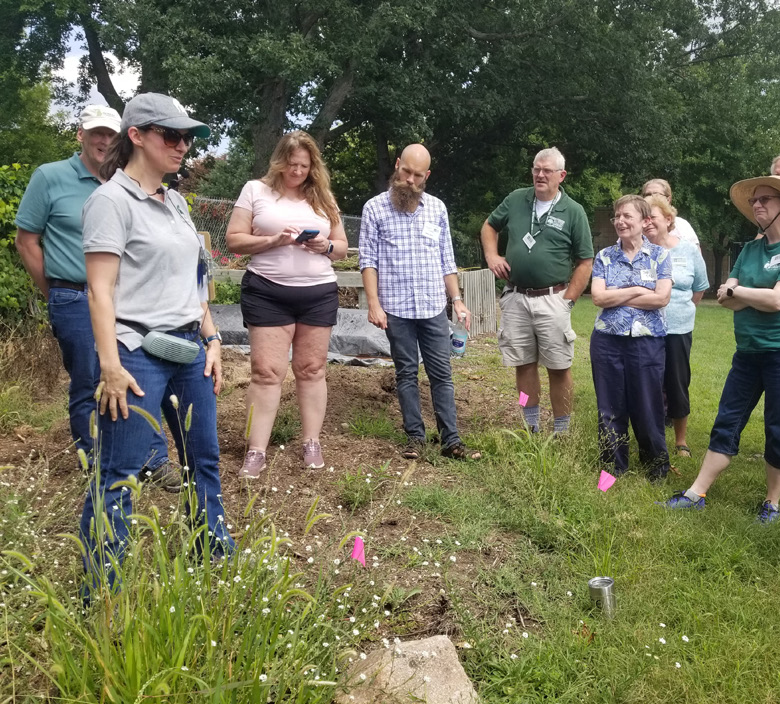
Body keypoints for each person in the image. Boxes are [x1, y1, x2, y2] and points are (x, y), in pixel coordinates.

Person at [79, 93, 235, 595]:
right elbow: (99, 289)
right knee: (120, 471)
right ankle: (104, 588)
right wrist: (109, 366)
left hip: (191, 350)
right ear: (136, 136)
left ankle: (212, 552)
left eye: (188, 137)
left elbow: (194, 280)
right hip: (136, 352)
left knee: (203, 458)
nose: (184, 145)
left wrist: (211, 336)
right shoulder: (110, 202)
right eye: (172, 135)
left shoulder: (178, 202)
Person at [14, 105, 181, 491]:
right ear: (81, 136)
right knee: (90, 379)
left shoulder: (131, 182)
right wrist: (55, 291)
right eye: (96, 134)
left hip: (130, 299)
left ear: (123, 137)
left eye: (111, 134)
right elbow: (27, 241)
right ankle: (97, 462)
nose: (104, 140)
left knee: (141, 375)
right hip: (74, 295)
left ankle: (153, 458)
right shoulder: (51, 177)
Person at [661, 175, 780, 523]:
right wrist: (756, 296)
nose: (758, 205)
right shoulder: (749, 249)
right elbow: (725, 297)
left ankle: (772, 503)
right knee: (727, 420)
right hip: (748, 350)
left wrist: (744, 293)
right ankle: (695, 493)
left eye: (766, 200)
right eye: (755, 200)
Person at [225, 131, 348, 478]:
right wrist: (273, 240)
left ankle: (311, 441)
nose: (297, 172)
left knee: (311, 370)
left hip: (318, 292)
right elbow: (234, 240)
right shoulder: (255, 191)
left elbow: (341, 246)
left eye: (304, 166)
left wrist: (323, 246)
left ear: (313, 167)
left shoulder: (323, 197)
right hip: (267, 291)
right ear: (279, 162)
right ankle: (256, 449)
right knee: (266, 373)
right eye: (291, 164)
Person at [360, 144, 480, 461]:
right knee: (407, 373)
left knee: (442, 373)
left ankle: (451, 440)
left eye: (417, 175)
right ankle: (415, 437)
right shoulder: (374, 209)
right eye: (406, 172)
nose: (410, 180)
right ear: (398, 166)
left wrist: (457, 300)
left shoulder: (437, 209)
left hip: (431, 308)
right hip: (396, 308)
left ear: (426, 176)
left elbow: (447, 262)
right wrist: (373, 302)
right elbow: (368, 261)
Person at [480, 148, 593, 435]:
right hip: (516, 297)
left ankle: (561, 429)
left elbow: (585, 261)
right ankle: (530, 424)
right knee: (523, 364)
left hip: (552, 298)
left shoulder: (573, 211)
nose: (540, 175)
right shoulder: (517, 199)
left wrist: (567, 301)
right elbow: (490, 226)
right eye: (536, 169)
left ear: (561, 175)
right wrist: (492, 256)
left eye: (546, 171)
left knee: (559, 367)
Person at [591, 195, 672, 479]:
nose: (620, 221)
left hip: (647, 341)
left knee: (647, 405)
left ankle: (655, 468)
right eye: (617, 216)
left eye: (627, 216)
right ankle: (612, 470)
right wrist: (638, 289)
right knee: (609, 408)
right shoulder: (604, 256)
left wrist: (619, 296)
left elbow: (662, 298)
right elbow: (599, 297)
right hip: (607, 340)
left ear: (645, 221)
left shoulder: (660, 256)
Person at [643, 195, 709, 456]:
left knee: (677, 383)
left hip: (678, 329)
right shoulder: (637, 250)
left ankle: (680, 441)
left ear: (668, 220)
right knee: (647, 383)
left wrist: (679, 310)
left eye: (653, 217)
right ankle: (650, 435)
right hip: (644, 329)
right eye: (643, 217)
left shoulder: (688, 250)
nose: (647, 223)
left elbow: (699, 288)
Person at [640, 179, 701, 249]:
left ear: (668, 199)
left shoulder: (682, 226)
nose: (652, 197)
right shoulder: (636, 226)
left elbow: (695, 255)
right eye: (648, 195)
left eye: (657, 194)